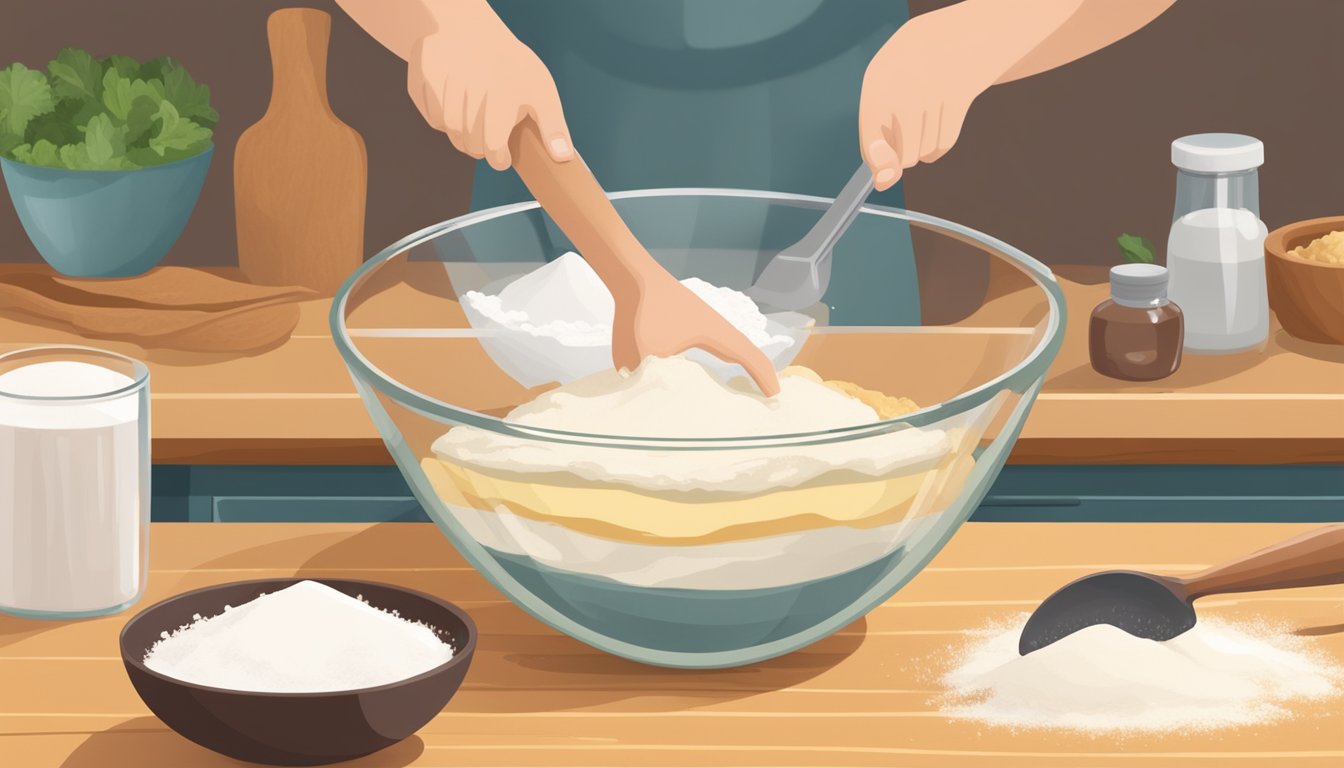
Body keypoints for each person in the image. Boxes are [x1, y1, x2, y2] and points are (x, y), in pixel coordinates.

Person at [337, 0, 1173, 391]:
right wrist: (441, 22)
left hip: (835, 173)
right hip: (554, 162)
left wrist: (990, 27)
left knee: (840, 474)